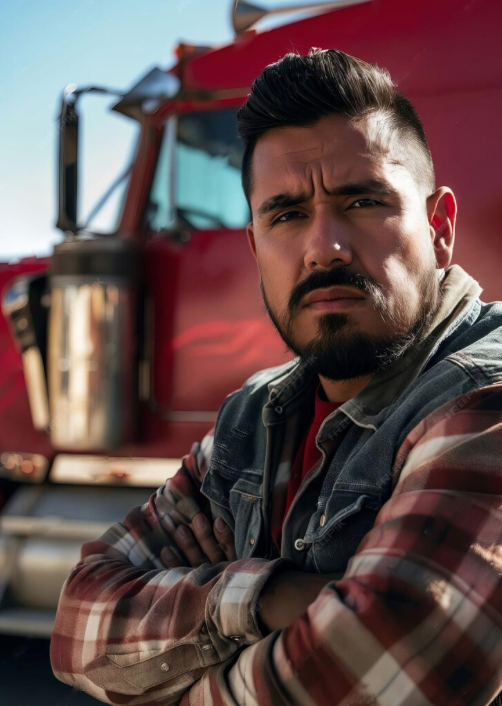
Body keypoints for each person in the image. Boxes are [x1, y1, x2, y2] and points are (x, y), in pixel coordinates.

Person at [50, 49, 502, 705]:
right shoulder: (255, 416)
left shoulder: (483, 397)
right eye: (287, 213)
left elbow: (380, 668)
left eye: (363, 200)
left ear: (439, 228)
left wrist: (189, 634)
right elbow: (77, 628)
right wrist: (271, 595)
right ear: (256, 247)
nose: (324, 246)